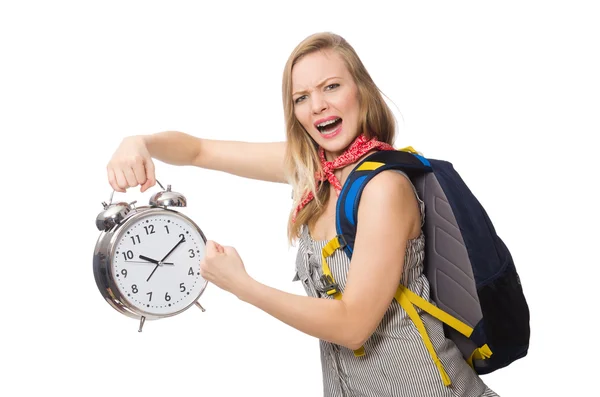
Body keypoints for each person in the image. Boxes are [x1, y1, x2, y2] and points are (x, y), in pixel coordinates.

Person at [107, 32, 499, 397]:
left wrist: (243, 285)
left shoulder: (384, 188)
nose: (318, 106)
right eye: (301, 97)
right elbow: (198, 151)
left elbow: (352, 326)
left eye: (331, 86)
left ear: (361, 91)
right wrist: (139, 142)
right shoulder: (312, 171)